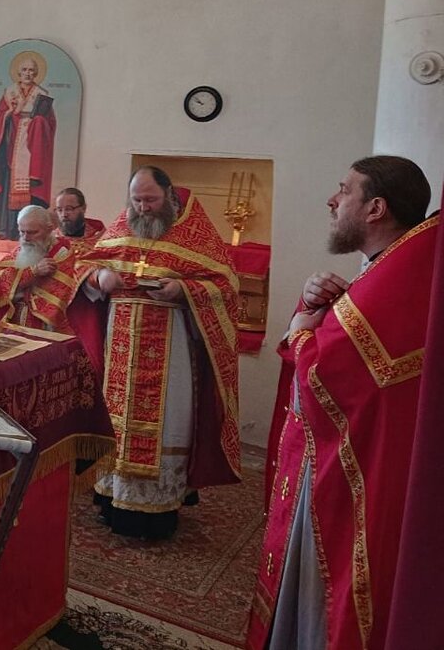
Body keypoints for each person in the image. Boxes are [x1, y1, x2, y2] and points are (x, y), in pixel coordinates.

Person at [246, 156, 435, 650]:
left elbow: (327, 382)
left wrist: (301, 330)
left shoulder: (396, 282)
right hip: (350, 460)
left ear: (375, 208)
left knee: (323, 600)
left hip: (346, 476)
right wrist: (317, 306)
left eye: (343, 191)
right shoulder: (395, 271)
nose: (332, 201)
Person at [74, 165, 240, 539]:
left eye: (150, 199)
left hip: (173, 347)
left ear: (169, 196)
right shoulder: (122, 225)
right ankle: (112, 497)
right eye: (136, 200)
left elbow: (225, 285)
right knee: (117, 419)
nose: (143, 208)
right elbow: (85, 264)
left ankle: (157, 512)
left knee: (167, 423)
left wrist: (184, 291)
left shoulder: (195, 232)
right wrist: (101, 278)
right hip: (120, 341)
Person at [0, 53, 57, 240]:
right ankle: (9, 228)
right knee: (10, 186)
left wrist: (39, 123)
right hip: (12, 146)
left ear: (36, 74)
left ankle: (32, 232)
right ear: (18, 72)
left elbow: (50, 123)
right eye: (24, 70)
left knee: (29, 189)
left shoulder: (41, 94)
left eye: (32, 70)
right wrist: (8, 115)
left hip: (32, 149)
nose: (28, 73)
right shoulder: (9, 92)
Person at [0, 205, 77, 333]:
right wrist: (32, 272)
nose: (26, 238)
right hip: (13, 323)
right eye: (22, 232)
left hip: (45, 327)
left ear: (49, 229)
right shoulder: (18, 252)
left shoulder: (62, 254)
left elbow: (66, 294)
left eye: (32, 232)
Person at [54, 187, 105, 257]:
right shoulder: (51, 240)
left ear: (83, 208)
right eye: (59, 210)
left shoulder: (101, 236)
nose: (64, 215)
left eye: (69, 209)